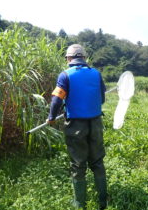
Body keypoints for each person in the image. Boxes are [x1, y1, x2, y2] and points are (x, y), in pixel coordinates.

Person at [47, 44, 107, 209]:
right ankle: (103, 201)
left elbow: (57, 100)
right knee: (97, 161)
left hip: (76, 126)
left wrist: (51, 117)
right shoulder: (96, 74)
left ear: (69, 58)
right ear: (84, 58)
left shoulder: (65, 75)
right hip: (95, 123)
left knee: (78, 163)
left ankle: (80, 203)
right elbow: (102, 98)